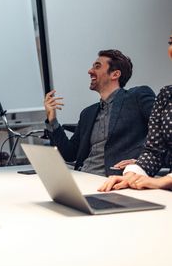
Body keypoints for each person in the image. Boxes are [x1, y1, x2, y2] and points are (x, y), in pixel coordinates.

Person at [43, 49, 155, 176]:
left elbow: (162, 135)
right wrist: (52, 120)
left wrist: (142, 162)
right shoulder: (87, 113)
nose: (90, 71)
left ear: (115, 74)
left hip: (113, 179)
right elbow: (69, 154)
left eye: (97, 66)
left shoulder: (137, 97)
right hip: (83, 176)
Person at [99, 34, 172, 191]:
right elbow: (154, 151)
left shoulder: (138, 95)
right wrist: (133, 174)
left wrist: (164, 180)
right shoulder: (167, 95)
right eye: (171, 42)